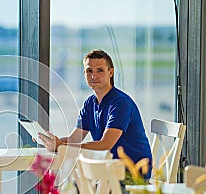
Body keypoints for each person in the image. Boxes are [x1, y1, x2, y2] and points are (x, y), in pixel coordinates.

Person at [38, 49, 152, 178]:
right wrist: (51, 141)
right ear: (84, 73)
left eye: (100, 70)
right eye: (89, 71)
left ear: (111, 72)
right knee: (64, 188)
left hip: (131, 174)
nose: (94, 76)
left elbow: (105, 145)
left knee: (68, 188)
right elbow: (74, 139)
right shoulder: (90, 103)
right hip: (106, 169)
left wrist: (62, 146)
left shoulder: (121, 103)